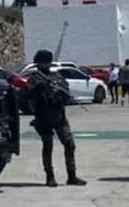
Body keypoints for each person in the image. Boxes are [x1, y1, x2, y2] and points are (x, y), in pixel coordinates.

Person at [25, 49, 87, 188]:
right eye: (42, 62)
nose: (45, 65)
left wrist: (60, 92)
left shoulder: (56, 76)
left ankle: (72, 176)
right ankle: (50, 176)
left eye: (47, 62)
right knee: (48, 145)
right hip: (43, 117)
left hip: (59, 116)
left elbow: (66, 90)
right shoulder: (35, 78)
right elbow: (29, 95)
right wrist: (39, 88)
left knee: (70, 144)